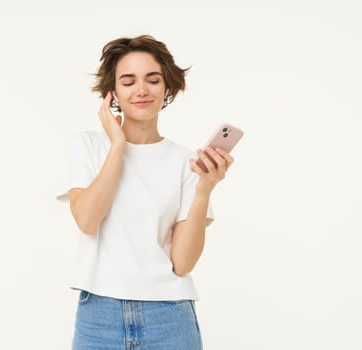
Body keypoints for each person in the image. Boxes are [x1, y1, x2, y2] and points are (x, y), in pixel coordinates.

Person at [57, 35, 235, 350]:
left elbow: (182, 264)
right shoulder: (89, 146)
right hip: (100, 315)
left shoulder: (186, 162)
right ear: (111, 92)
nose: (141, 90)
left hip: (169, 316)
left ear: (167, 87)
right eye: (128, 82)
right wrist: (117, 145)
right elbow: (87, 220)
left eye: (153, 80)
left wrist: (204, 190)